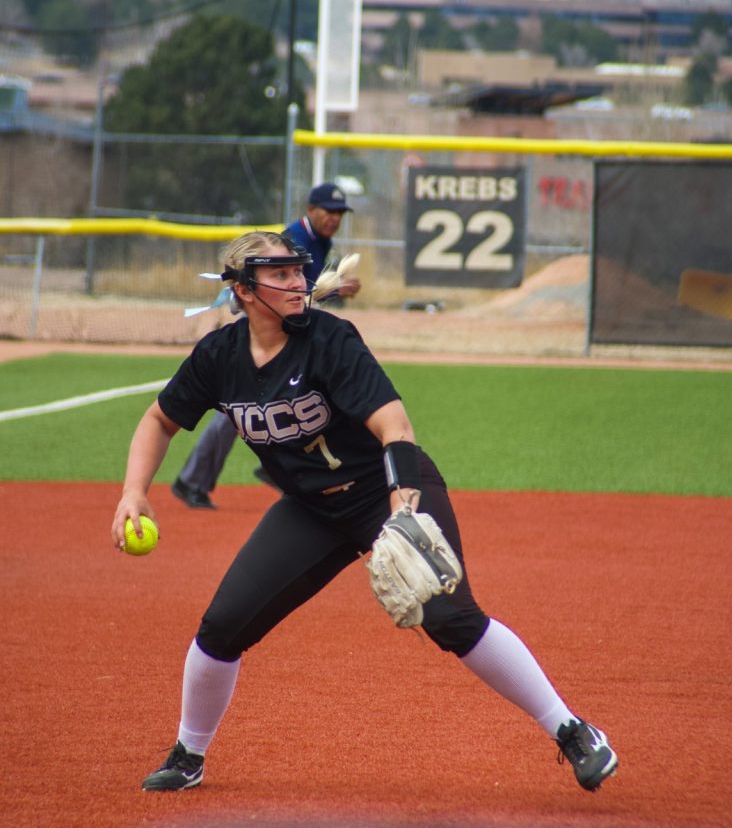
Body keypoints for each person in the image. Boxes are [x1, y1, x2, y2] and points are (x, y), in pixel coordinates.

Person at [111, 230, 618, 794]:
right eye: (278, 274)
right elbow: (159, 420)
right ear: (244, 290)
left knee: (450, 617)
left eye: (298, 271)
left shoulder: (330, 339)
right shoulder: (219, 357)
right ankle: (189, 755)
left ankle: (574, 731)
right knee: (223, 626)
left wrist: (402, 512)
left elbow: (395, 427)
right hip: (311, 511)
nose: (297, 281)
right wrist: (135, 491)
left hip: (388, 488)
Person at [171, 183, 359, 509]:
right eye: (329, 211)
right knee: (236, 410)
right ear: (311, 210)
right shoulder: (296, 240)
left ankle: (277, 466)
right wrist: (334, 289)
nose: (334, 218)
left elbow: (299, 293)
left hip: (275, 325)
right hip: (251, 323)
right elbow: (287, 292)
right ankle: (194, 479)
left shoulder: (318, 239)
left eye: (340, 213)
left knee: (294, 396)